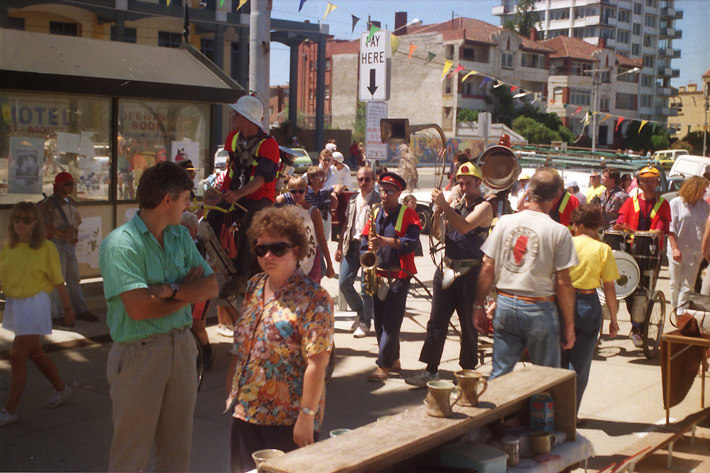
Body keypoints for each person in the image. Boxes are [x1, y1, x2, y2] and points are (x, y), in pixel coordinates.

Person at [99, 161, 218, 472]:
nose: (189, 205)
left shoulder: (179, 236)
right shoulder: (121, 245)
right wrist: (185, 294)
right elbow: (139, 309)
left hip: (181, 348)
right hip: (140, 354)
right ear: (169, 199)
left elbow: (210, 286)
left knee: (177, 454)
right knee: (131, 455)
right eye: (186, 198)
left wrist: (169, 290)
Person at [226, 207, 334, 473]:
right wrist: (231, 393)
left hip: (289, 420)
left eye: (278, 249)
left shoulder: (315, 298)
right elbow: (242, 347)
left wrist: (306, 419)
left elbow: (317, 363)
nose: (268, 256)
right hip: (246, 412)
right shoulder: (253, 286)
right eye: (261, 249)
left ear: (296, 250)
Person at [473, 167, 577, 380]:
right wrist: (569, 325)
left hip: (506, 305)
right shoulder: (559, 232)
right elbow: (564, 284)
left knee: (500, 374)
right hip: (538, 308)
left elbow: (487, 267)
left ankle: (497, 411)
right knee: (545, 378)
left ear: (529, 191)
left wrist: (478, 306)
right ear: (557, 197)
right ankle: (539, 413)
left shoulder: (505, 222)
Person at [405, 163, 493, 387]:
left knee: (468, 326)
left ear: (478, 183)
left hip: (470, 272)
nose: (464, 187)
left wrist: (446, 206)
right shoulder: (458, 205)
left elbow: (464, 227)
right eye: (461, 183)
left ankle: (468, 374)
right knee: (436, 322)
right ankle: (431, 369)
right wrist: (438, 212)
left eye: (468, 183)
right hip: (447, 268)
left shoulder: (484, 207)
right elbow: (438, 234)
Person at [0, 202, 75, 427]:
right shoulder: (9, 245)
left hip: (35, 303)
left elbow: (58, 281)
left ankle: (9, 410)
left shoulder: (46, 248)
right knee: (35, 353)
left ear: (35, 223)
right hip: (16, 302)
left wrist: (68, 308)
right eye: (17, 219)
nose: (21, 224)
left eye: (27, 220)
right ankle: (61, 388)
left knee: (17, 357)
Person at [211, 94, 280, 293]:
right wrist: (224, 191)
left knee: (249, 229)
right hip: (237, 193)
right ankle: (216, 261)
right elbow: (233, 168)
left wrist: (237, 194)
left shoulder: (268, 145)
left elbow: (261, 179)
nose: (233, 117)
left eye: (237, 114)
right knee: (213, 215)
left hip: (260, 198)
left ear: (247, 118)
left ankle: (242, 276)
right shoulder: (233, 138)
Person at [362, 172, 421, 381]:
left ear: (399, 193)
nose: (384, 195)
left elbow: (411, 243)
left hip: (399, 275)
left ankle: (383, 365)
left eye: (389, 191)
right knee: (379, 322)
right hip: (378, 274)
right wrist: (365, 252)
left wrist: (385, 242)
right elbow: (364, 238)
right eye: (382, 190)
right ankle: (394, 359)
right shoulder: (376, 211)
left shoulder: (410, 214)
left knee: (391, 322)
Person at [563, 204, 619, 412]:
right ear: (596, 226)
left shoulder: (566, 243)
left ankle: (556, 412)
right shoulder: (603, 249)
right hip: (588, 304)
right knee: (580, 365)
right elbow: (610, 288)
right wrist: (613, 319)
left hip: (561, 302)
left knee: (560, 362)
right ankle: (571, 414)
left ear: (578, 224)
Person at [614, 166, 671, 346]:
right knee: (629, 291)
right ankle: (636, 325)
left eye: (652, 180)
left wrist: (633, 230)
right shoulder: (631, 202)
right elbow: (620, 222)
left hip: (651, 255)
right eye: (645, 180)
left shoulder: (663, 204)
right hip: (631, 252)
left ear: (657, 182)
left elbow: (659, 230)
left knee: (645, 292)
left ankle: (638, 327)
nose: (649, 183)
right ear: (639, 182)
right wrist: (620, 228)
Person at [40, 172, 98, 325]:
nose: (71, 187)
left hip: (69, 244)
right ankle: (56, 313)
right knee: (57, 280)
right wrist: (60, 233)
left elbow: (76, 222)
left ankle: (80, 309)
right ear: (58, 186)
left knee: (74, 279)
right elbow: (44, 225)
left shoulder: (71, 202)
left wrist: (75, 235)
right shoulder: (49, 204)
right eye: (67, 184)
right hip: (56, 243)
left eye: (72, 184)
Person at [335, 166, 381, 338]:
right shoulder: (353, 198)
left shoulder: (378, 200)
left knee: (366, 287)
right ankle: (362, 311)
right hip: (351, 245)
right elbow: (347, 223)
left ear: (373, 181)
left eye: (367, 180)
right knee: (344, 283)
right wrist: (340, 247)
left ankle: (365, 322)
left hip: (368, 247)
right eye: (360, 179)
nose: (363, 183)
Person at [279, 176, 335, 282]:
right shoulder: (287, 211)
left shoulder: (313, 212)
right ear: (288, 192)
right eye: (293, 191)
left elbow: (321, 239)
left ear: (305, 191)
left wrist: (329, 264)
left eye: (300, 191)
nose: (297, 194)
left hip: (311, 256)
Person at [667, 176, 710, 313]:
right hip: (678, 250)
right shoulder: (675, 204)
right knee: (675, 284)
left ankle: (681, 314)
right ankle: (675, 308)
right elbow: (671, 228)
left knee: (687, 286)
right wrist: (675, 248)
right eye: (703, 189)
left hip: (695, 252)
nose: (705, 192)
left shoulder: (704, 206)